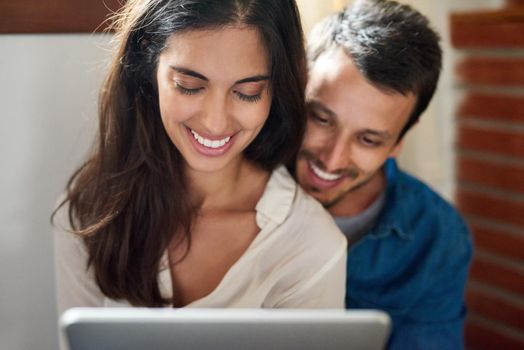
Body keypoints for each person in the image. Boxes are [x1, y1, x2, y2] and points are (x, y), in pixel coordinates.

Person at [52, 0, 347, 318]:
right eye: (189, 86)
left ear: (276, 90)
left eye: (247, 92)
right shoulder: (90, 216)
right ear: (148, 63)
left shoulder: (310, 246)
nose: (216, 123)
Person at [293, 0, 473, 349]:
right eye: (321, 118)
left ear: (399, 141)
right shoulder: (235, 188)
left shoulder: (437, 237)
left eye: (369, 139)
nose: (332, 159)